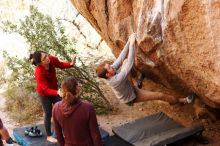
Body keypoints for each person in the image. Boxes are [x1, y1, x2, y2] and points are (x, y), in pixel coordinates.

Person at [96, 33, 194, 105]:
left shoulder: (111, 71)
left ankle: (138, 79)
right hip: (131, 97)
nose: (111, 66)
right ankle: (182, 101)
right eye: (109, 68)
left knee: (124, 61)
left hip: (128, 86)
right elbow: (130, 63)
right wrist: (131, 44)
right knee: (160, 95)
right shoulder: (115, 81)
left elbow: (121, 57)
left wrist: (129, 40)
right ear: (108, 75)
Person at [29, 51, 76, 143]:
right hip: (44, 94)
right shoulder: (39, 72)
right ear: (40, 63)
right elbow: (46, 89)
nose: (47, 58)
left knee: (62, 109)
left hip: (55, 90)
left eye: (46, 55)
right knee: (48, 113)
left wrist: (70, 64)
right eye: (44, 58)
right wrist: (57, 92)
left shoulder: (51, 60)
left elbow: (61, 65)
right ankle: (49, 135)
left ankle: (64, 129)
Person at [53, 76, 103, 146]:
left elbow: (58, 134)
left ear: (62, 90)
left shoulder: (56, 107)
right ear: (77, 89)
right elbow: (95, 134)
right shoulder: (88, 107)